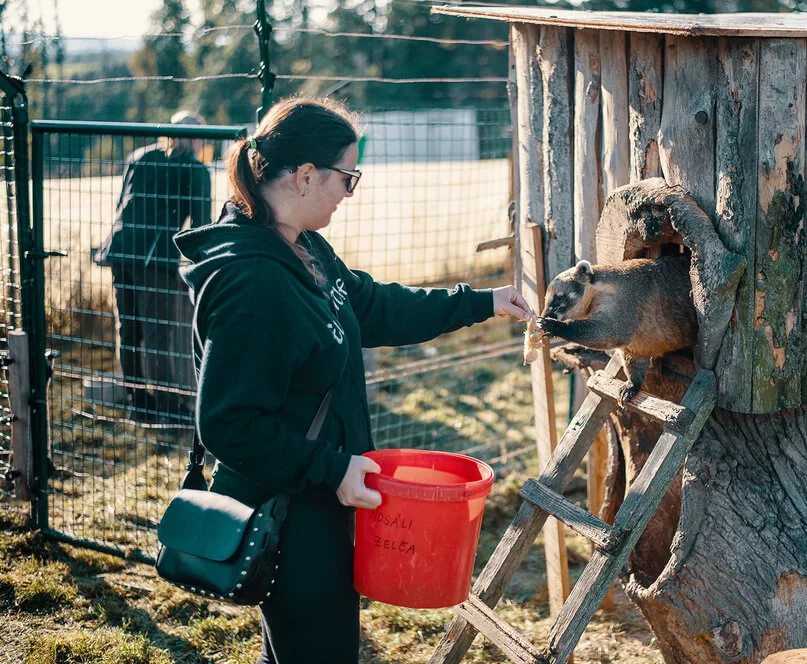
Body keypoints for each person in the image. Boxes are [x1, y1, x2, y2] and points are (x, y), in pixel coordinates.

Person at [171, 97, 531, 664]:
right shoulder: (254, 286)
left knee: (297, 648)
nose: (349, 191)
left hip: (318, 503)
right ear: (306, 175)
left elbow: (369, 305)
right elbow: (228, 424)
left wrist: (480, 302)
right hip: (291, 513)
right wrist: (333, 468)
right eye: (348, 176)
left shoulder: (301, 246)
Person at [95, 110, 212, 422]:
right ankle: (168, 407)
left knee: (129, 330)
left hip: (119, 250)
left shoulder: (139, 157)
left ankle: (139, 404)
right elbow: (201, 227)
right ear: (199, 138)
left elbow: (123, 204)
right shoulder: (195, 169)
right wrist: (204, 267)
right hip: (154, 258)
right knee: (158, 334)